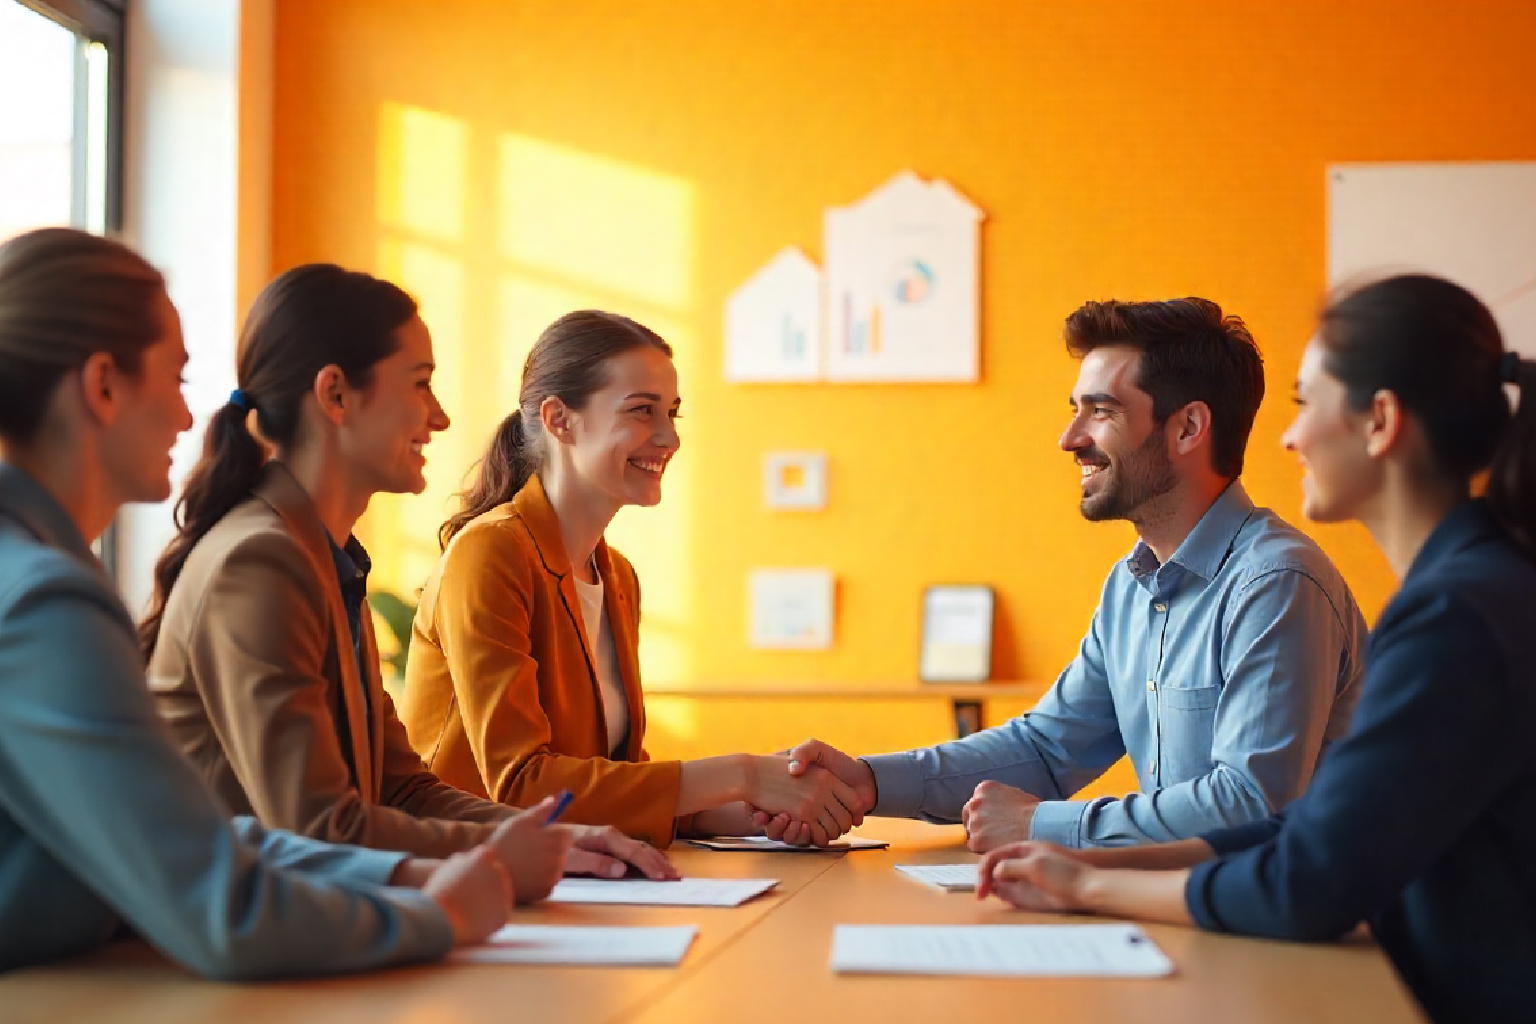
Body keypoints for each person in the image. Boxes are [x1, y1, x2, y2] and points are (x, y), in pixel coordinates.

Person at [0, 227, 565, 977]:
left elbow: (218, 835)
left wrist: (436, 870)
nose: (183, 415)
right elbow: (225, 898)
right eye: (173, 379)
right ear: (102, 385)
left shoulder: (317, 556)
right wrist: (435, 910)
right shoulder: (48, 602)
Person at [976, 275, 1536, 1024]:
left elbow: (1305, 883)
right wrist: (1091, 861)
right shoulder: (1468, 590)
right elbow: (1318, 830)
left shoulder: (1455, 616)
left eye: (1306, 404)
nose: (1287, 435)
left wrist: (1088, 886)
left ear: (1380, 421)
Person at [767, 297, 1367, 850]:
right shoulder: (1130, 587)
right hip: (1185, 913)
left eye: (1101, 412)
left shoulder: (1277, 582)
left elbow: (1249, 806)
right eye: (1075, 412)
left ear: (1187, 428)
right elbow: (1046, 750)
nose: (1069, 439)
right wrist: (869, 783)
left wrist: (1040, 825)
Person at [141, 266, 672, 882]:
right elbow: (317, 830)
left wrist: (562, 838)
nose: (440, 417)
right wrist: (503, 854)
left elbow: (402, 789)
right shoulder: (259, 563)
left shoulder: (318, 555)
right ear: (335, 395)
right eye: (420, 385)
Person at [398, 310, 863, 848]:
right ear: (559, 420)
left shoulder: (616, 576)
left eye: (672, 413)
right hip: (464, 871)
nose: (669, 437)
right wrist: (743, 774)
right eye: (642, 411)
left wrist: (756, 810)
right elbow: (521, 786)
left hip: (570, 874)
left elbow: (611, 782)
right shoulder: (490, 552)